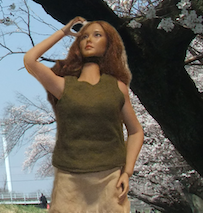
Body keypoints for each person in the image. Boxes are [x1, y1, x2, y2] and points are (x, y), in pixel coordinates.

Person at [24, 17, 144, 213]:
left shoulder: (117, 88)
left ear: (109, 44)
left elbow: (136, 131)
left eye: (97, 35)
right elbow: (30, 60)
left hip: (110, 177)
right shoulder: (64, 87)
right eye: (84, 36)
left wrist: (127, 172)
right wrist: (64, 32)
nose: (89, 40)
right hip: (69, 178)